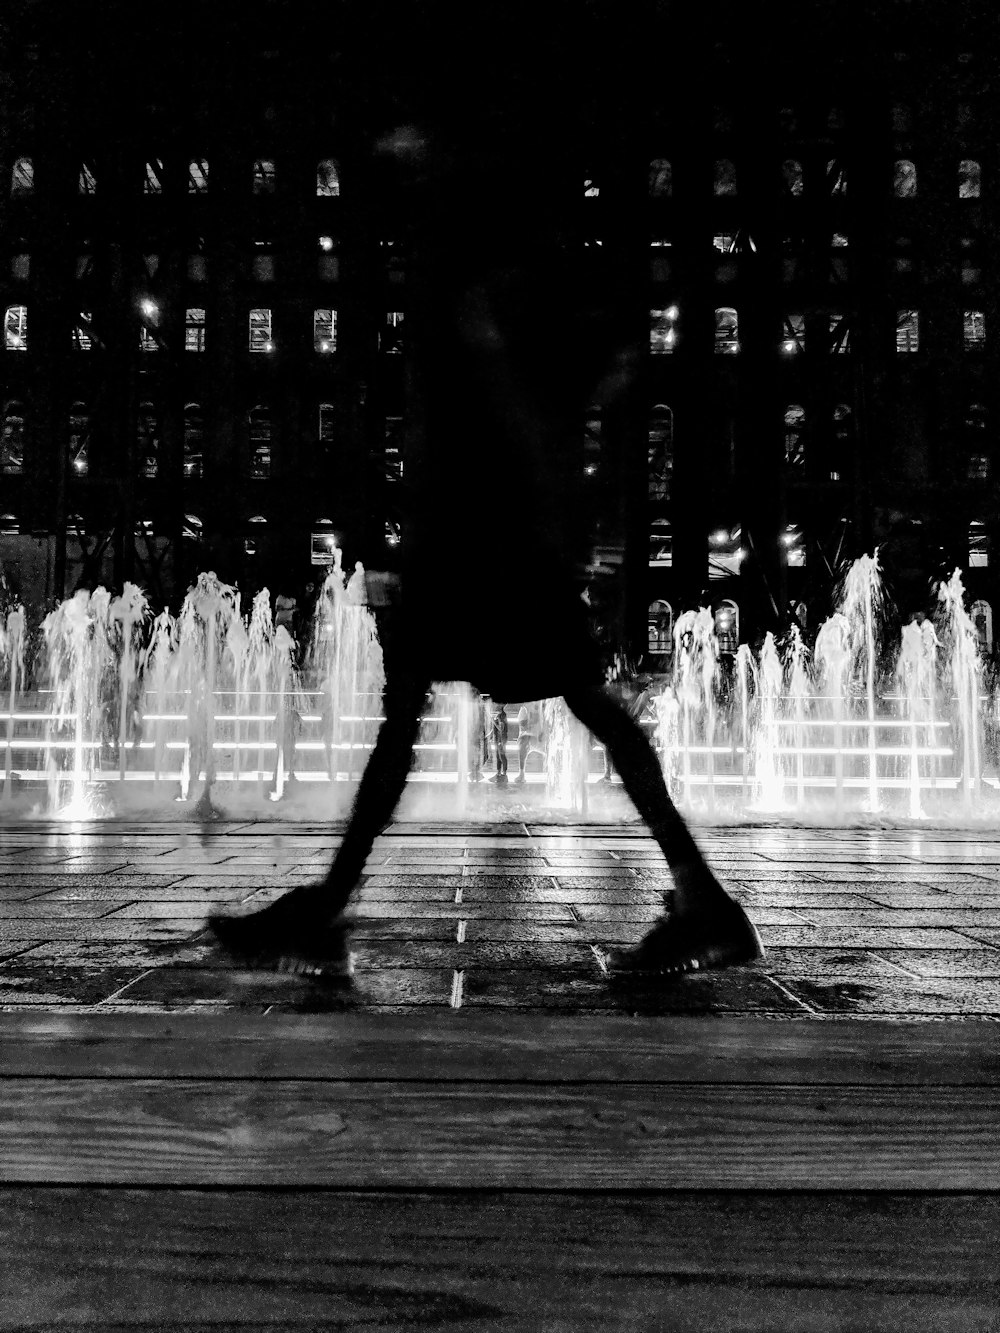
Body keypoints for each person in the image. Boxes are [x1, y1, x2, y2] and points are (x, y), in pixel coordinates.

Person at [206, 113, 763, 982]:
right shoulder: (480, 268)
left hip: (493, 535)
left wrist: (525, 499)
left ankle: (705, 899)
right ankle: (700, 897)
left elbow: (543, 386)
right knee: (487, 703)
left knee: (556, 699)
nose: (400, 167)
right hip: (485, 528)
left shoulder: (495, 269)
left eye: (416, 156)